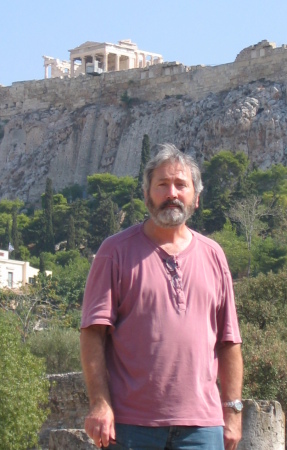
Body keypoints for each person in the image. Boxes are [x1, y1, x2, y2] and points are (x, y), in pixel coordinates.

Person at [80, 143, 243, 450]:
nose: (172, 193)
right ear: (146, 195)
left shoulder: (214, 256)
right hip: (131, 427)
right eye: (162, 185)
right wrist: (100, 404)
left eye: (181, 185)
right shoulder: (113, 252)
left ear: (195, 198)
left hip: (203, 428)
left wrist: (232, 412)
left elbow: (228, 341)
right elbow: (92, 334)